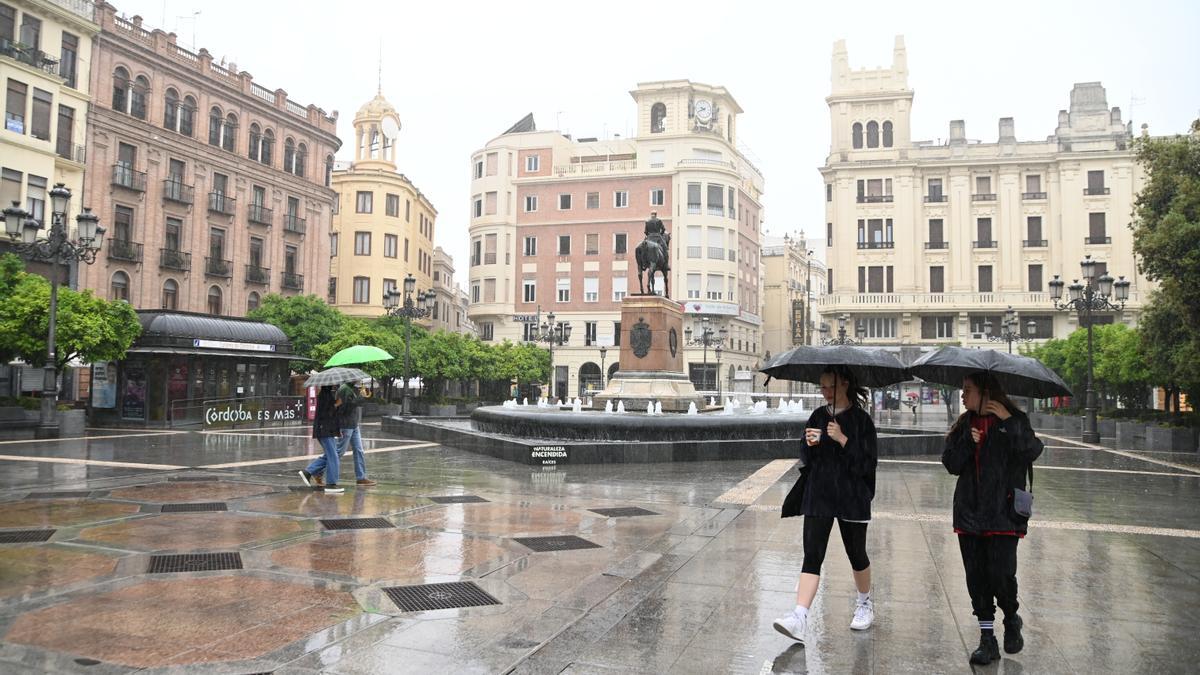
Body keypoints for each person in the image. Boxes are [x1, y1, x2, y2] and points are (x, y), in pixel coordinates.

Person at [942, 372, 1043, 665]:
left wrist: (1009, 422)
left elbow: (1032, 451)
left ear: (986, 393)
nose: (963, 396)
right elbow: (950, 464)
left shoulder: (1015, 420)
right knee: (976, 577)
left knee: (1001, 575)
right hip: (970, 514)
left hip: (1003, 514)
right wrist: (968, 444)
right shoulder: (964, 424)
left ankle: (1011, 618)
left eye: (968, 390)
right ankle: (987, 639)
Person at [774, 365, 879, 644]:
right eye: (821, 387)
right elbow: (806, 456)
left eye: (829, 386)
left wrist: (842, 439)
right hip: (819, 495)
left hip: (852, 497)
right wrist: (811, 443)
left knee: (856, 553)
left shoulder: (861, 421)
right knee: (812, 554)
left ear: (844, 384)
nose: (824, 392)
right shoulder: (818, 416)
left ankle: (864, 603)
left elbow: (867, 464)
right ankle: (799, 616)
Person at [298, 385, 343, 494]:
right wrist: (336, 404)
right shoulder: (324, 395)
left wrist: (336, 404)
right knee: (333, 456)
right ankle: (331, 484)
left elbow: (332, 413)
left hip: (326, 430)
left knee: (330, 455)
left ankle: (308, 472)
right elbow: (325, 414)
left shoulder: (327, 394)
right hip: (325, 430)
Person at [335, 381, 376, 487]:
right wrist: (360, 398)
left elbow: (353, 403)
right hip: (346, 425)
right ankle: (315, 469)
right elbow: (344, 408)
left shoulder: (350, 388)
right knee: (339, 451)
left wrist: (361, 397)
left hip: (353, 424)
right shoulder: (344, 389)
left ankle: (361, 477)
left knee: (359, 450)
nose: (359, 380)